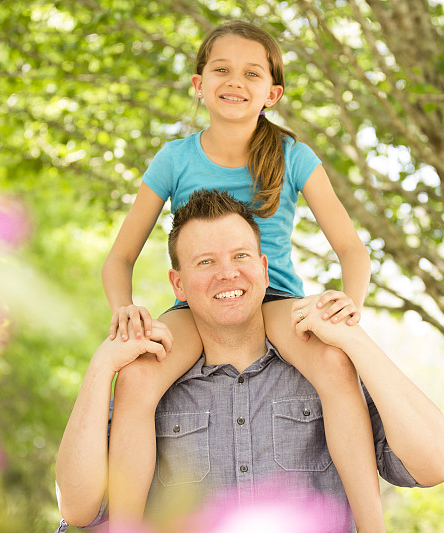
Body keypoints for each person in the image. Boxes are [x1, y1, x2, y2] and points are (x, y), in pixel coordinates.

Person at [101, 20, 381, 531]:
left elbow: (351, 250)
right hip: (200, 303)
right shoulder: (174, 158)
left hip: (272, 300)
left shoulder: (294, 156)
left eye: (252, 73)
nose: (235, 81)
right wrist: (124, 307)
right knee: (138, 377)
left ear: (271, 92)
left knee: (337, 368)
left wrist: (350, 302)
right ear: (198, 83)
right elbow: (118, 258)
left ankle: (372, 525)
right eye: (221, 69)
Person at [55, 190, 444, 532]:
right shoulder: (148, 387)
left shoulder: (325, 370)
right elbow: (76, 508)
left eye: (241, 256)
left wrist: (355, 340)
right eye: (205, 262)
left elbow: (435, 465)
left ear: (264, 270)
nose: (227, 274)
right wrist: (101, 367)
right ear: (178, 284)